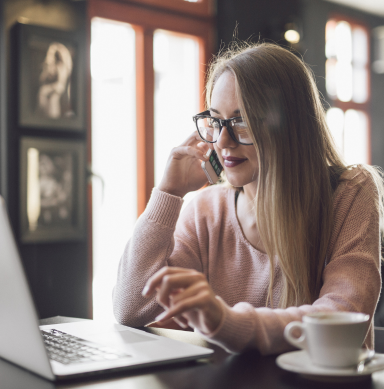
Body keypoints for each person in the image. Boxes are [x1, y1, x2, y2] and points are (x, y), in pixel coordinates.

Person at [113, 43, 384, 355]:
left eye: (241, 121)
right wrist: (167, 194)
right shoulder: (205, 210)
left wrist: (226, 321)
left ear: (289, 126)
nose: (223, 141)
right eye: (216, 121)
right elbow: (131, 310)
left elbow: (342, 317)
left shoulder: (350, 193)